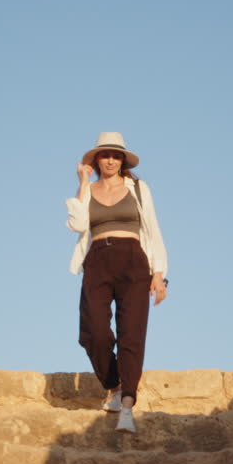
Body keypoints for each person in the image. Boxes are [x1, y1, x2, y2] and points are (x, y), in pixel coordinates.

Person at [66, 132, 168, 433]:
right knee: (93, 331)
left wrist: (158, 273)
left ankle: (126, 403)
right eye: (105, 155)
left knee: (131, 333)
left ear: (122, 160)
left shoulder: (138, 188)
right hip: (97, 260)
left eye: (116, 155)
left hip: (134, 259)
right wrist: (83, 183)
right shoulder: (89, 189)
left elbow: (152, 227)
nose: (110, 160)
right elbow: (77, 225)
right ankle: (113, 384)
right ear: (97, 160)